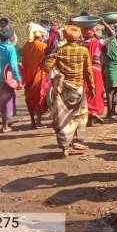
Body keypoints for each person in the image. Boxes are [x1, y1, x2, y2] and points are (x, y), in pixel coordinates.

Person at [41, 25, 95, 157]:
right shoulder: (83, 50)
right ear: (78, 36)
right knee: (80, 115)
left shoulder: (59, 50)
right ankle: (78, 141)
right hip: (78, 88)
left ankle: (65, 147)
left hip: (63, 89)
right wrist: (92, 87)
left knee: (63, 117)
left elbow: (46, 67)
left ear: (65, 36)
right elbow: (88, 71)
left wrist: (55, 67)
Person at [21, 23, 50, 129]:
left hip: (28, 76)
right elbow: (46, 62)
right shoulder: (43, 46)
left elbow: (24, 62)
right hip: (40, 75)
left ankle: (32, 121)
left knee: (30, 99)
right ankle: (38, 122)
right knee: (39, 98)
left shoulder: (25, 46)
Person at [0, 27, 21, 133]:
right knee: (7, 101)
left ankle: (4, 123)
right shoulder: (10, 49)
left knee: (0, 100)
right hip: (7, 79)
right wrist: (18, 79)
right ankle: (5, 126)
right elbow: (13, 65)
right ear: (10, 38)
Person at [100, 17, 117, 119]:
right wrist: (104, 23)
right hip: (111, 66)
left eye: (113, 27)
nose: (113, 28)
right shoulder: (105, 40)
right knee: (110, 91)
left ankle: (113, 111)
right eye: (111, 26)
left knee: (116, 90)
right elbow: (112, 34)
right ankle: (109, 113)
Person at [79, 25, 106, 126]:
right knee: (97, 91)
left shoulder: (79, 43)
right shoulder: (98, 42)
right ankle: (94, 112)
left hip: (84, 70)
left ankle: (88, 115)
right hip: (96, 69)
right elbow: (112, 36)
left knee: (86, 91)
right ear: (93, 32)